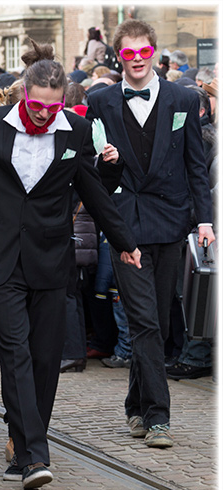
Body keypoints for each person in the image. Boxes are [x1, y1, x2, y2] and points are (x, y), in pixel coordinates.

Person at [0, 39, 141, 489]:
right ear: (24, 94)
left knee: (43, 359)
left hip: (49, 259)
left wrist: (123, 242)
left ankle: (23, 445)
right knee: (15, 352)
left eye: (53, 107)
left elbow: (94, 192)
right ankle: (35, 454)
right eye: (37, 105)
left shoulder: (74, 133)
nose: (44, 114)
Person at [86, 19, 214, 448]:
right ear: (117, 56)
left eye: (144, 53)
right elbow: (95, 176)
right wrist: (108, 163)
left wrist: (205, 220)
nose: (137, 61)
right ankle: (159, 416)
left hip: (171, 222)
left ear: (155, 54)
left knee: (157, 320)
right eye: (128, 54)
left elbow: (196, 165)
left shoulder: (183, 97)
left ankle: (136, 403)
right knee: (143, 321)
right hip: (125, 226)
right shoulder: (100, 100)